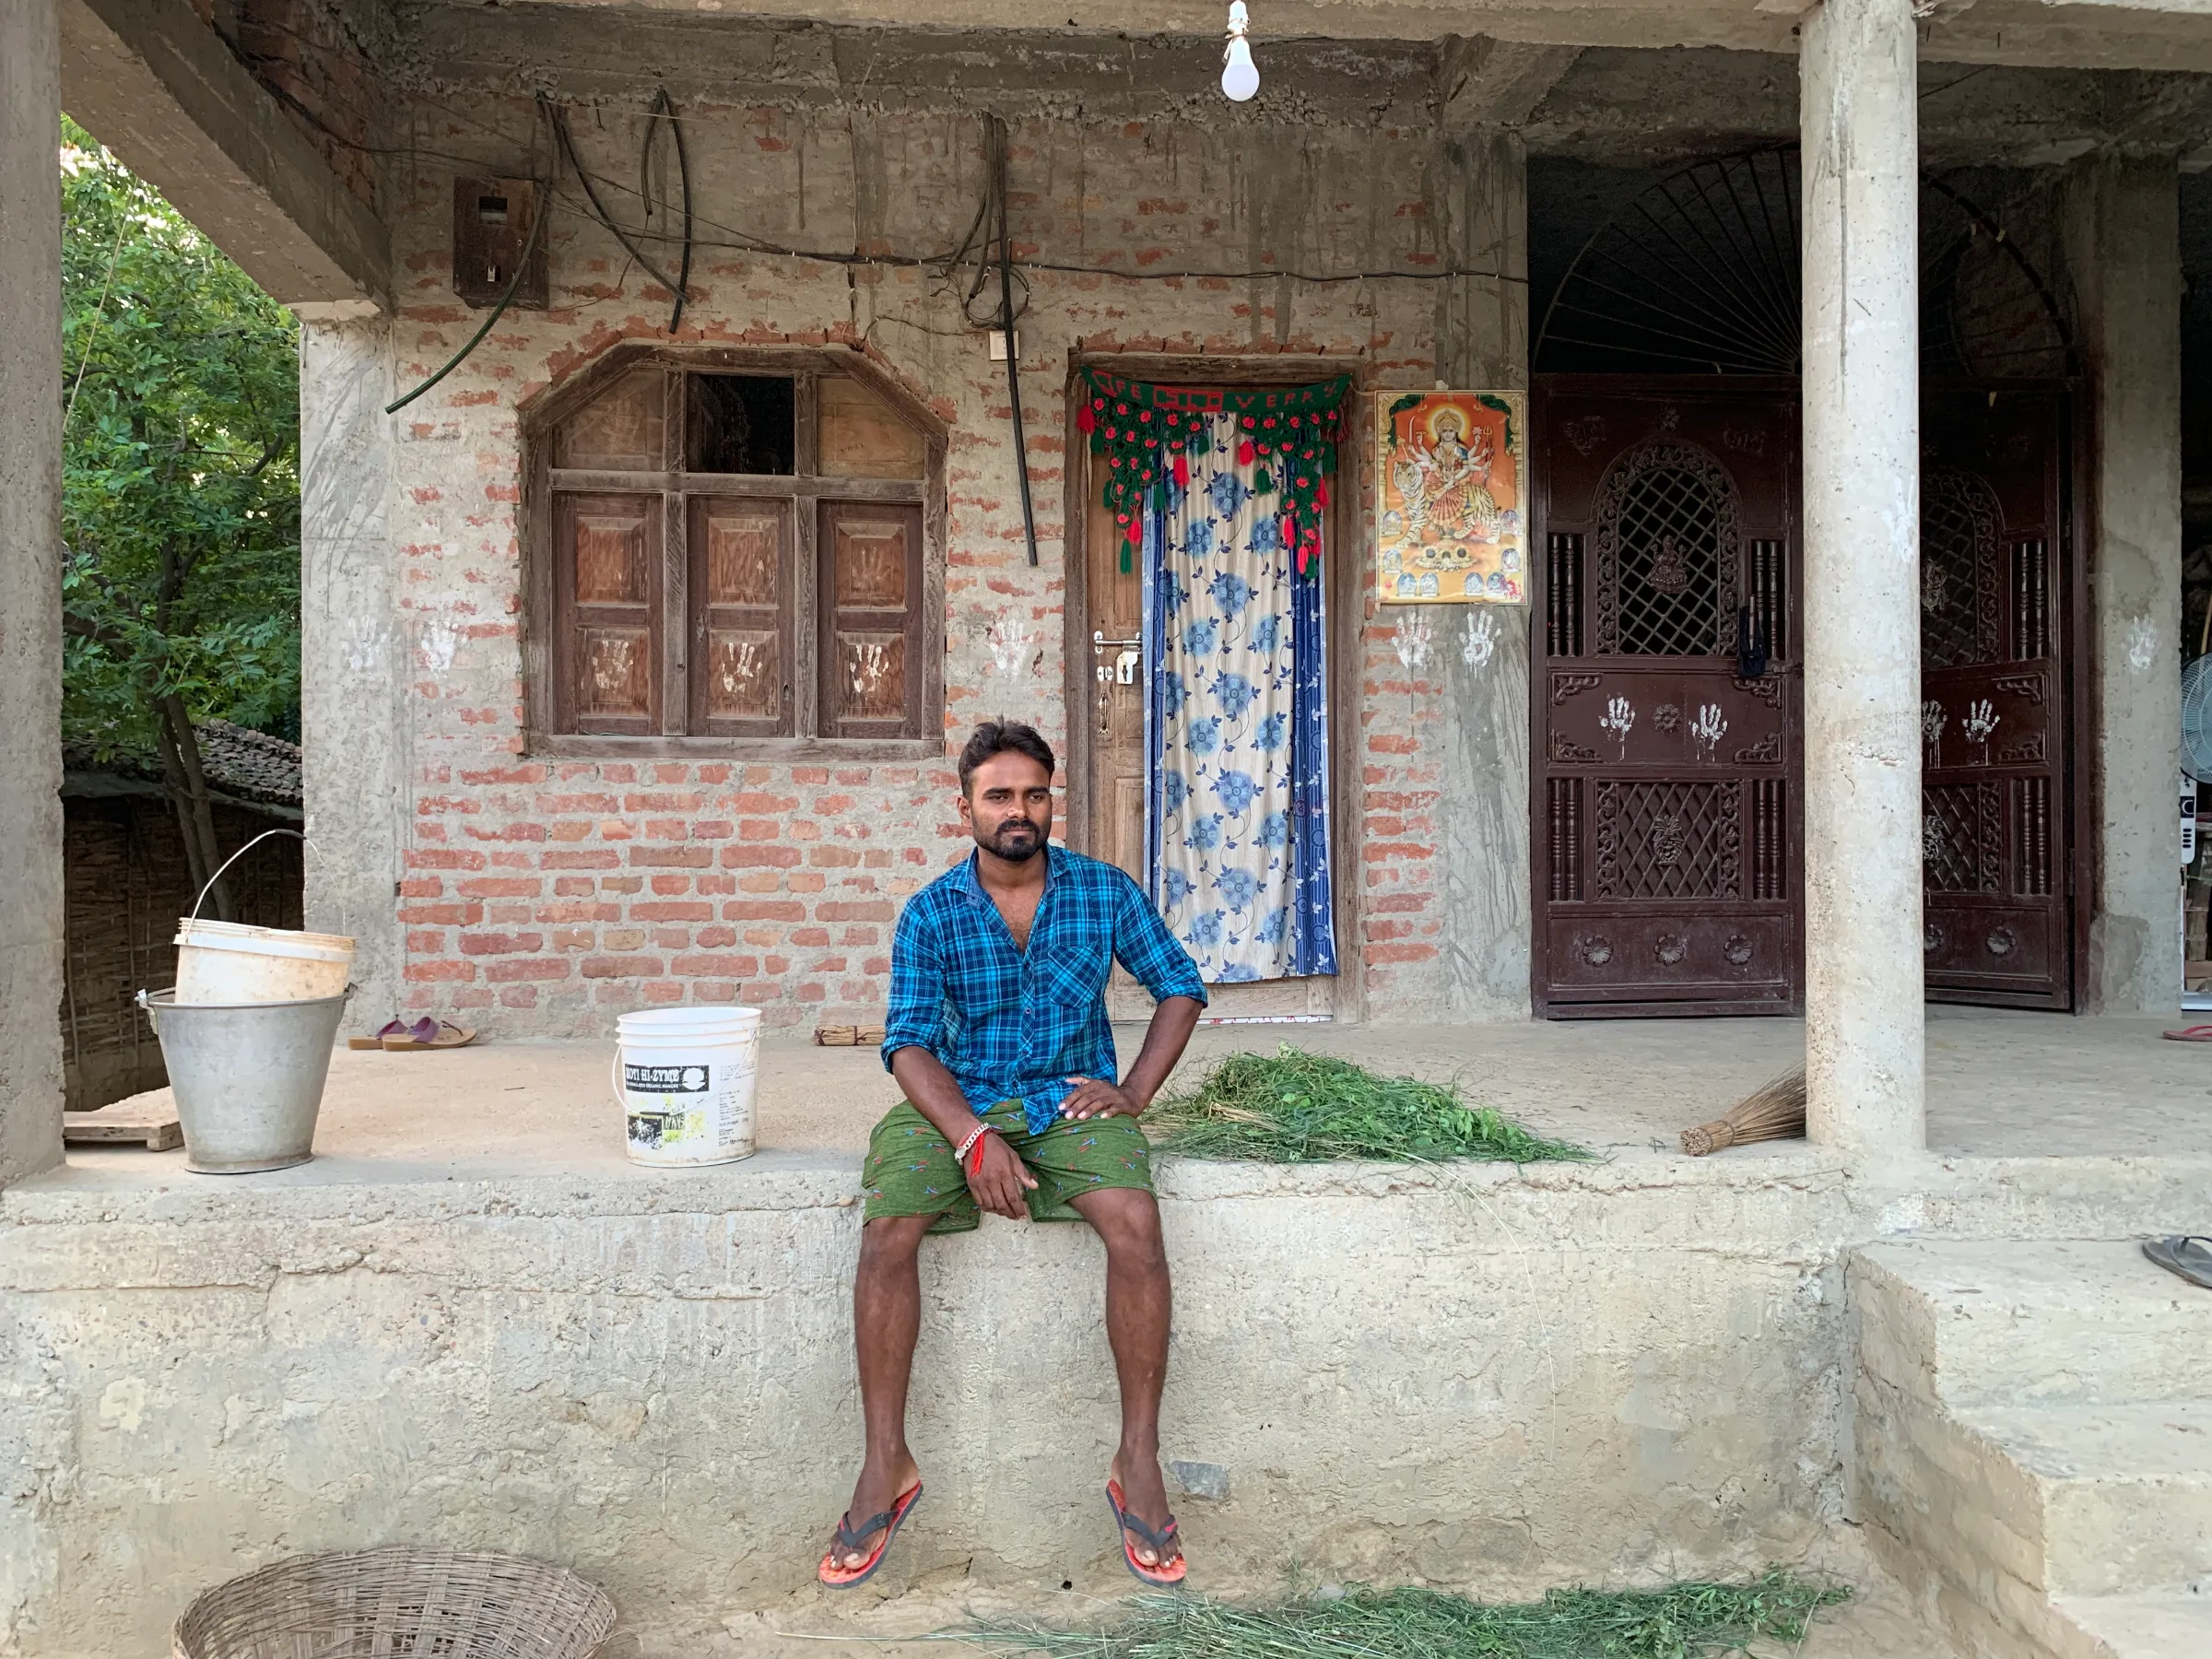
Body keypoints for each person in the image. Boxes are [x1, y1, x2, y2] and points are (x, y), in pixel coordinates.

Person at [818, 720, 1207, 1591]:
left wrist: (1135, 1092)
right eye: (999, 796)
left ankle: (1137, 1459)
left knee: (1136, 1225)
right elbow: (909, 1045)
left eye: (1034, 794)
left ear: (1051, 803)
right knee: (888, 1233)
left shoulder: (1103, 892)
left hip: (1069, 1099)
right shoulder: (931, 911)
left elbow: (1181, 985)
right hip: (952, 1102)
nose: (1019, 811)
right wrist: (969, 1135)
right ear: (965, 808)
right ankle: (887, 1461)